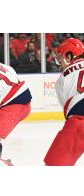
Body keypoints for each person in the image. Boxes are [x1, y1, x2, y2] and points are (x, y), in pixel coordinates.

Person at [44, 38, 84, 166]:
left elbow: (70, 113)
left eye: (60, 59)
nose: (60, 64)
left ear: (69, 56)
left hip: (79, 121)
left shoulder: (63, 78)